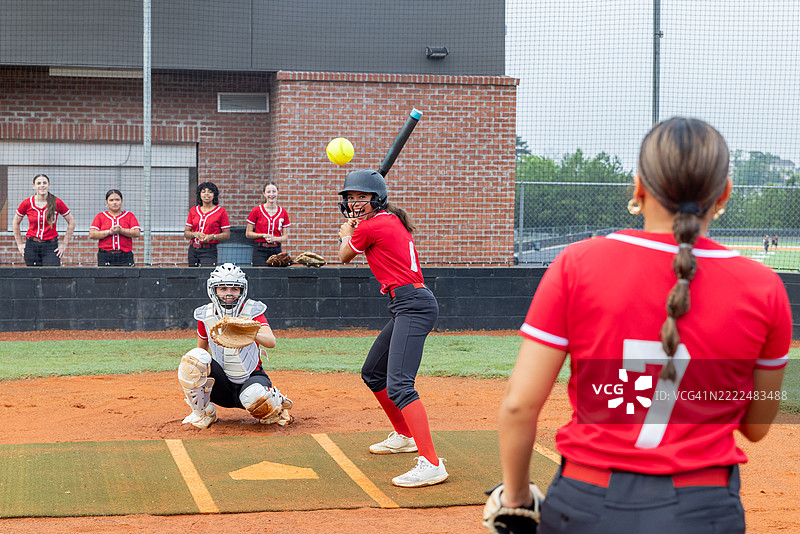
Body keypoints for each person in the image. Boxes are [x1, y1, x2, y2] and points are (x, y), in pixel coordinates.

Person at [495, 118, 791, 533]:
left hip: (584, 502)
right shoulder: (765, 288)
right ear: (723, 194)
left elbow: (518, 406)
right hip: (703, 509)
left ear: (638, 188)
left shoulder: (578, 264)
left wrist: (516, 499)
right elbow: (756, 426)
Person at [337, 169, 448, 488]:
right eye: (352, 198)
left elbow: (345, 256)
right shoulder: (389, 220)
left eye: (362, 197)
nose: (355, 203)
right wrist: (358, 226)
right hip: (407, 304)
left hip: (413, 304)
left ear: (377, 199)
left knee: (400, 385)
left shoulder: (371, 226)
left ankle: (431, 463)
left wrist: (346, 232)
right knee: (373, 372)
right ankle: (404, 435)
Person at [178, 263, 293, 429]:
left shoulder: (252, 311)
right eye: (223, 289)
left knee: (253, 395)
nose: (229, 294)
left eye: (234, 289)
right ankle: (202, 413)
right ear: (213, 290)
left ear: (242, 290)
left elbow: (271, 342)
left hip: (251, 379)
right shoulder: (206, 315)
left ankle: (276, 406)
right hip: (221, 387)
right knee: (193, 359)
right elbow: (201, 353)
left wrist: (248, 333)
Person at [12, 173, 76, 266]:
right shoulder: (27, 203)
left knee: (50, 276)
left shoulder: (57, 202)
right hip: (32, 245)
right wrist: (20, 244)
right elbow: (15, 222)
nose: (42, 185)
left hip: (51, 246)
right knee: (33, 276)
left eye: (44, 183)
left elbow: (72, 222)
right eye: (38, 183)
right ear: (34, 186)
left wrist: (64, 244)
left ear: (49, 185)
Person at [89, 189, 141, 266]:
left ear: (121, 201)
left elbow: (136, 233)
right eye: (111, 200)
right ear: (106, 202)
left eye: (117, 200)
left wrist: (121, 231)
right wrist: (109, 232)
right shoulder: (100, 216)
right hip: (105, 256)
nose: (115, 202)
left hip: (125, 256)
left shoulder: (129, 216)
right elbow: (92, 234)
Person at [184, 182, 230, 267]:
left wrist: (212, 237)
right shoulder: (193, 210)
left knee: (207, 275)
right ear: (199, 194)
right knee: (193, 276)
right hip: (193, 250)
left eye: (210, 192)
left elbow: (226, 235)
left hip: (209, 250)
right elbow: (186, 233)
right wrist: (195, 234)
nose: (206, 194)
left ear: (214, 195)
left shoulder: (221, 211)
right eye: (203, 191)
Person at [246, 182, 291, 266]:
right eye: (268, 192)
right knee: (261, 275)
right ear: (264, 194)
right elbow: (248, 233)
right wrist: (263, 235)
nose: (271, 194)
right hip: (260, 249)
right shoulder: (256, 210)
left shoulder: (283, 212)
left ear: (277, 193)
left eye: (274, 191)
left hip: (276, 250)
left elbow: (285, 237)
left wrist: (274, 239)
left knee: (276, 276)